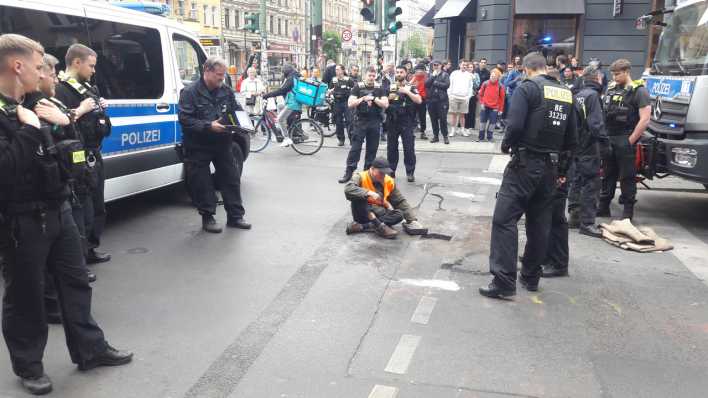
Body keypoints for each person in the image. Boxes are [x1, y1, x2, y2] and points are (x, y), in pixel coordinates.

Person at [0, 33, 133, 396]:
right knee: (25, 297)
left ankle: (90, 348)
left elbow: (69, 151)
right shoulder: (9, 113)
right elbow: (6, 169)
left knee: (75, 282)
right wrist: (29, 130)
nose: (45, 72)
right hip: (21, 221)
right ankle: (28, 366)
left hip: (58, 208)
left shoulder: (40, 101)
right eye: (39, 65)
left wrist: (66, 121)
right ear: (17, 66)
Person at [479, 52, 577, 299]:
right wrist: (563, 171)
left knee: (504, 220)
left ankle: (503, 282)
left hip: (525, 163)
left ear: (526, 69)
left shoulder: (527, 88)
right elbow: (573, 138)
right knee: (540, 223)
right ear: (546, 67)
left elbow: (515, 125)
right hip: (551, 168)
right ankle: (531, 277)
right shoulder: (566, 93)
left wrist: (505, 146)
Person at [54, 43, 112, 266]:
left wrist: (102, 111)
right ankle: (78, 260)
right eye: (91, 65)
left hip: (94, 154)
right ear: (76, 62)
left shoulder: (91, 89)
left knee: (98, 207)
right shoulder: (60, 90)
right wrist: (81, 111)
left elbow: (104, 127)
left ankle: (90, 249)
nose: (94, 70)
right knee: (82, 211)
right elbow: (59, 127)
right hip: (76, 158)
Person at [178, 56, 251, 233]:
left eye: (223, 74)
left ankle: (235, 216)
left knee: (231, 179)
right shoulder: (189, 92)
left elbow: (236, 110)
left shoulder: (225, 90)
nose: (221, 78)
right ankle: (208, 217)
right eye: (219, 74)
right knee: (202, 183)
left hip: (223, 143)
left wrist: (245, 124)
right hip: (199, 145)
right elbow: (185, 119)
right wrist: (209, 125)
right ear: (207, 71)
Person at [598, 58, 651, 220]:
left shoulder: (639, 91)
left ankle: (628, 211)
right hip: (610, 137)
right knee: (607, 174)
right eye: (613, 74)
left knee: (627, 176)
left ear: (627, 72)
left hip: (626, 137)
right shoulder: (611, 88)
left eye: (618, 74)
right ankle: (604, 206)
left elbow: (645, 119)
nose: (614, 77)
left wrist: (631, 140)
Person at [565, 65, 607, 242]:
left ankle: (574, 216)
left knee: (576, 181)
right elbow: (596, 125)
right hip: (589, 147)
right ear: (597, 78)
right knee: (591, 184)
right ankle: (587, 223)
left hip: (577, 146)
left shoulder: (578, 95)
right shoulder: (593, 96)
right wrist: (606, 145)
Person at [344, 158, 427, 239]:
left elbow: (399, 201)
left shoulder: (388, 181)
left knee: (399, 214)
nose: (383, 176)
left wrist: (411, 219)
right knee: (359, 197)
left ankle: (364, 226)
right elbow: (348, 189)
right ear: (372, 169)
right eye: (380, 173)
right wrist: (368, 193)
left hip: (380, 214)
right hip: (363, 212)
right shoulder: (360, 176)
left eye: (385, 173)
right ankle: (379, 226)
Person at [338, 66, 388, 183]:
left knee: (372, 150)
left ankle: (367, 175)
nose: (371, 78)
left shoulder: (379, 88)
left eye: (373, 76)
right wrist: (363, 98)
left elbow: (385, 104)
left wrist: (374, 98)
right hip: (361, 121)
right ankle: (349, 172)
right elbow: (350, 103)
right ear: (365, 75)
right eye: (369, 75)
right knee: (355, 149)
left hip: (375, 121)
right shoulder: (358, 87)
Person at [386, 65, 422, 182]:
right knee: (391, 147)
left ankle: (410, 172)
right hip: (392, 120)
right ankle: (391, 170)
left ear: (406, 73)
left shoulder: (410, 86)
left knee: (409, 148)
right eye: (397, 72)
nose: (399, 74)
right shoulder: (390, 87)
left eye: (401, 72)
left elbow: (419, 100)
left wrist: (407, 92)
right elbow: (384, 101)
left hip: (406, 120)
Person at [262, 64, 301, 145]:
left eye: (283, 72)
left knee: (280, 119)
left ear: (286, 71)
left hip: (292, 104)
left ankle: (286, 138)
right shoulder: (294, 77)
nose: (282, 74)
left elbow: (281, 90)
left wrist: (267, 95)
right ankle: (281, 126)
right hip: (293, 102)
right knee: (280, 106)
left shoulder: (290, 79)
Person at [425, 60, 450, 144]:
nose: (435, 66)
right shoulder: (430, 75)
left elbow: (446, 85)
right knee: (433, 119)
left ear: (440, 66)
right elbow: (426, 84)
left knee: (443, 119)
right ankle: (435, 136)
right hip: (431, 100)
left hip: (442, 101)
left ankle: (445, 136)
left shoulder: (445, 74)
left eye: (437, 65)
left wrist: (436, 83)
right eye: (434, 65)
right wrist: (433, 76)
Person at [329, 64, 354, 146]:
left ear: (343, 70)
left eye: (338, 69)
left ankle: (351, 139)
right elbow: (329, 90)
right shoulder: (334, 80)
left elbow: (354, 90)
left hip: (346, 102)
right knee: (338, 121)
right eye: (336, 69)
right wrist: (330, 92)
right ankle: (341, 139)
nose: (336, 71)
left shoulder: (348, 80)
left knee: (349, 121)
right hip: (337, 102)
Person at [447, 59, 474, 138]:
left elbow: (470, 87)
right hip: (454, 96)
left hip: (464, 98)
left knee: (462, 115)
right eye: (463, 65)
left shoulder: (469, 75)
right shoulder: (454, 73)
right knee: (454, 115)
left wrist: (468, 97)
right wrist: (450, 95)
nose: (464, 66)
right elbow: (450, 85)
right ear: (459, 65)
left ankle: (462, 130)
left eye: (465, 65)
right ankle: (453, 130)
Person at [477, 68, 505, 142]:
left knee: (492, 124)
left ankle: (490, 137)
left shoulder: (500, 86)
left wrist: (501, 109)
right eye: (491, 76)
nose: (492, 78)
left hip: (495, 108)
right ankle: (481, 137)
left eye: (494, 77)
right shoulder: (485, 83)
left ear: (498, 78)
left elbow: (502, 99)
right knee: (482, 123)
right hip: (484, 106)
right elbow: (480, 94)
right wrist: (482, 103)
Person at [411, 64, 428, 139]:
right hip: (414, 98)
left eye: (421, 70)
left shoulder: (426, 78)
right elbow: (409, 85)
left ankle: (423, 131)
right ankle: (411, 131)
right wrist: (413, 79)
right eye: (418, 70)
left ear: (424, 71)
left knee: (422, 116)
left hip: (423, 99)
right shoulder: (413, 78)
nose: (419, 72)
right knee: (412, 115)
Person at [464, 62, 481, 133]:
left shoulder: (476, 75)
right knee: (464, 111)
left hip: (473, 95)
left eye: (471, 67)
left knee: (471, 111)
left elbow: (477, 86)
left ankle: (469, 127)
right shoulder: (464, 74)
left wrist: (473, 79)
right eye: (469, 67)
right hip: (465, 95)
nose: (470, 68)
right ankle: (464, 126)